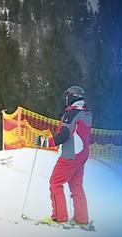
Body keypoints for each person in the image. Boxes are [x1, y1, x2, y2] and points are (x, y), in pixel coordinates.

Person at [35, 86, 92, 225]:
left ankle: (59, 217)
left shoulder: (71, 114)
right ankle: (81, 219)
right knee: (76, 185)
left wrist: (46, 142)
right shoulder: (86, 112)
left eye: (67, 97)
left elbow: (64, 134)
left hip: (70, 155)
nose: (66, 100)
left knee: (55, 182)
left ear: (72, 97)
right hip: (82, 154)